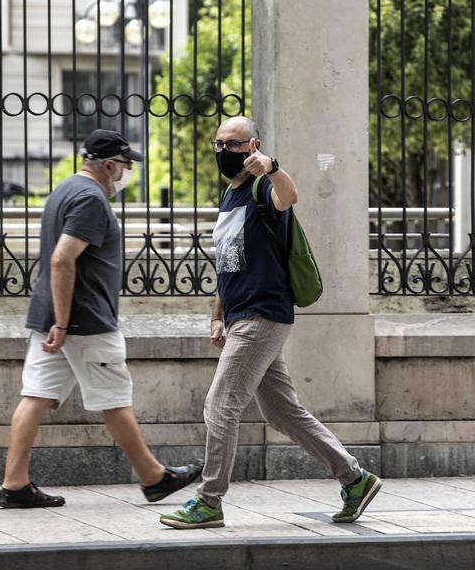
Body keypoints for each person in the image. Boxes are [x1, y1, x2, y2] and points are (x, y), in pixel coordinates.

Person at [160, 116, 381, 529]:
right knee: (282, 413)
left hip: (262, 314)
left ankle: (209, 501)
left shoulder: (263, 186)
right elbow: (226, 264)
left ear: (252, 144)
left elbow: (291, 195)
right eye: (219, 145)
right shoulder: (230, 194)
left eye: (234, 144)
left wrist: (273, 167)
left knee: (220, 405)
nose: (225, 152)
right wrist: (216, 315)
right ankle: (355, 478)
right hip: (241, 314)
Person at [0, 129, 202, 508]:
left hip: (53, 319)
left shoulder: (63, 190)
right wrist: (63, 322)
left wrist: (56, 322)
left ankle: (14, 484)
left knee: (35, 396)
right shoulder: (91, 199)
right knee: (115, 400)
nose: (125, 174)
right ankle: (154, 477)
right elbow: (62, 259)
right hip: (84, 320)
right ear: (108, 165)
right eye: (124, 166)